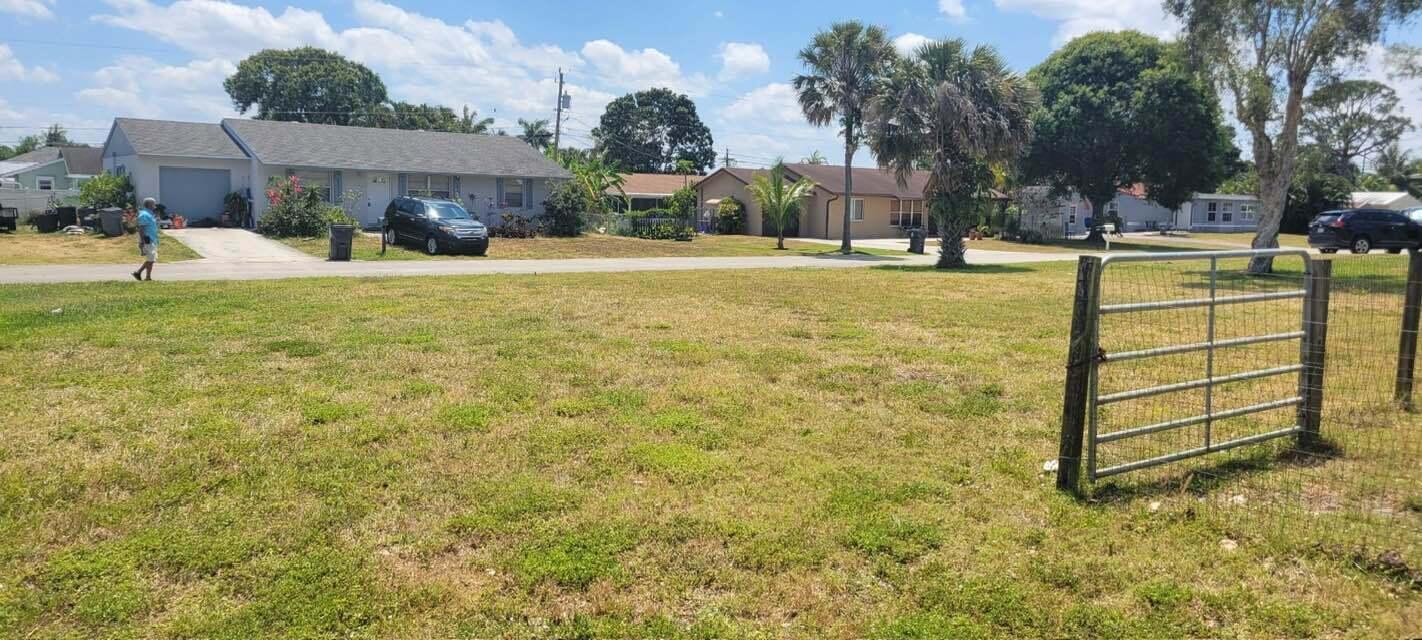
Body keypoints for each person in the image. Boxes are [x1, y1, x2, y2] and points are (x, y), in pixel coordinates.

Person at [132, 198, 159, 281]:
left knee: (151, 259)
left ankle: (142, 274)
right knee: (151, 258)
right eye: (154, 204)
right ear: (150, 205)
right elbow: (141, 228)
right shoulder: (144, 215)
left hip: (152, 239)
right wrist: (142, 241)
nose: (155, 206)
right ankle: (144, 275)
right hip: (147, 239)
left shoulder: (149, 214)